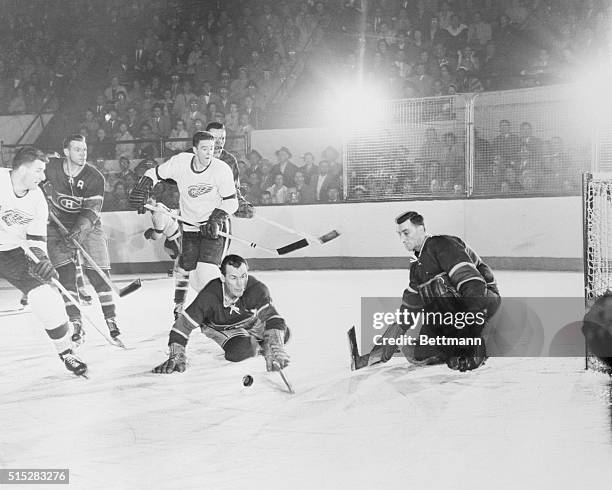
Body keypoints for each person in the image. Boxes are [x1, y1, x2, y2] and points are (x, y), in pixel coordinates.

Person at [350, 211, 501, 372]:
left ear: (421, 229)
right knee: (418, 354)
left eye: (406, 233)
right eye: (399, 234)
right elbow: (407, 313)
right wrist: (378, 353)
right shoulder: (417, 267)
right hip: (455, 309)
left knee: (437, 287)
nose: (402, 239)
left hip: (483, 300)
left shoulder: (442, 244)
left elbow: (472, 284)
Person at [0, 147, 87, 376]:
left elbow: (37, 238)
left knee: (46, 298)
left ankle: (67, 352)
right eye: (39, 170)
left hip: (12, 253)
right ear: (22, 169)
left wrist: (42, 260)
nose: (42, 176)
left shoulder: (37, 198)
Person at [129, 131, 238, 312]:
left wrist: (216, 218)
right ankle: (220, 307)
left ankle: (235, 308)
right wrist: (143, 187)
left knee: (206, 272)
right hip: (189, 228)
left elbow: (231, 201)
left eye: (211, 149)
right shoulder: (180, 162)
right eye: (204, 149)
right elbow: (153, 173)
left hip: (213, 227)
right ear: (194, 149)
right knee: (192, 276)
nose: (208, 153)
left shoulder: (221, 169)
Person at [42, 135, 120, 345]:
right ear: (66, 152)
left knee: (99, 276)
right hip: (56, 224)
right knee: (65, 278)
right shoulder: (51, 166)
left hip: (87, 225)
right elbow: (31, 175)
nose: (83, 153)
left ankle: (111, 321)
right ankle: (76, 323)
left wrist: (77, 232)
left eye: (84, 149)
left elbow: (91, 212)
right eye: (77, 150)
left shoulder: (95, 177)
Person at [152, 254, 290, 373]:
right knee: (240, 351)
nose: (240, 284)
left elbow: (273, 318)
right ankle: (258, 344)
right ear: (223, 278)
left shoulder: (255, 287)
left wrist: (276, 346)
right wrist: (177, 354)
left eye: (243, 276)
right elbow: (182, 325)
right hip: (219, 326)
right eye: (233, 278)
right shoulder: (210, 296)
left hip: (248, 321)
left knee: (284, 333)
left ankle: (261, 343)